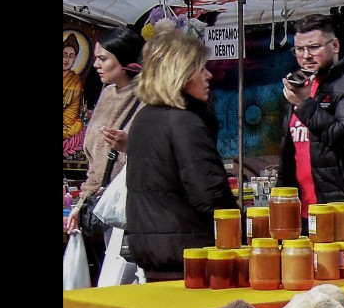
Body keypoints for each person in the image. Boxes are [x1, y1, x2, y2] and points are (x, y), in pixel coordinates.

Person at [125, 31, 239, 282]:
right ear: (181, 73)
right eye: (200, 69)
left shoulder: (144, 118)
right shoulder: (183, 122)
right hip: (192, 257)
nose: (208, 75)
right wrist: (241, 231)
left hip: (156, 253)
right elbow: (210, 195)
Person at [65, 27, 146, 286]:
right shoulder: (107, 93)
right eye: (96, 58)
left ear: (124, 60)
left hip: (135, 208)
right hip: (108, 207)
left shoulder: (149, 97)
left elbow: (162, 151)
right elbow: (96, 162)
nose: (97, 65)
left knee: (118, 286)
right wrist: (82, 203)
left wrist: (130, 145)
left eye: (104, 59)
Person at [277, 14, 344, 225]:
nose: (306, 56)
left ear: (335, 45)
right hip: (303, 212)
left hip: (341, 209)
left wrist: (305, 105)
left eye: (313, 47)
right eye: (299, 50)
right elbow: (290, 155)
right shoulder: (302, 87)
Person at [63, 35, 85, 155]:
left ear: (75, 59)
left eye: (71, 56)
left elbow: (72, 111)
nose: (67, 60)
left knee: (78, 125)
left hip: (65, 121)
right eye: (64, 55)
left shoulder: (75, 82)